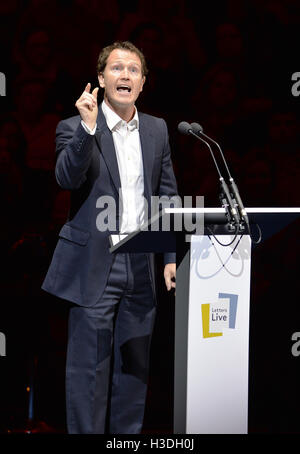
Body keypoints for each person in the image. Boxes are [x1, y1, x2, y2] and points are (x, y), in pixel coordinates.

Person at [42, 41, 177, 434]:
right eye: (116, 69)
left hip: (143, 263)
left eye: (133, 70)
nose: (125, 76)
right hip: (96, 264)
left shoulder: (157, 129)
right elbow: (66, 177)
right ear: (101, 78)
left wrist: (169, 257)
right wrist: (87, 128)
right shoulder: (75, 126)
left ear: (143, 82)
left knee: (134, 372)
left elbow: (167, 198)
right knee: (88, 372)